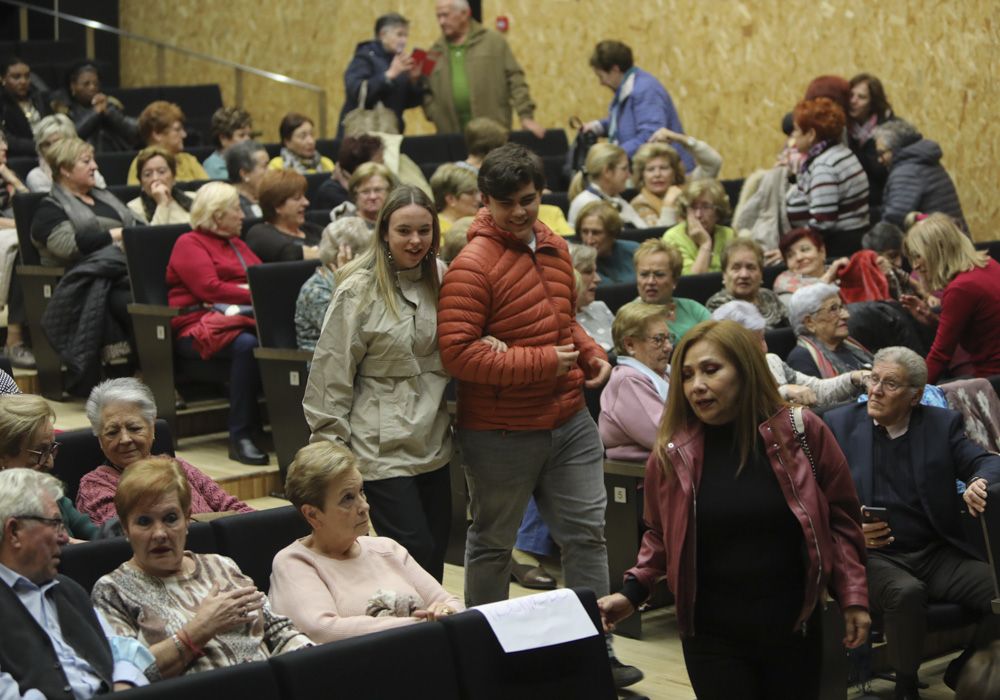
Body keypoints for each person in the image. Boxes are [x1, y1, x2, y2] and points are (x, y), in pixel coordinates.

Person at [437, 142, 642, 689]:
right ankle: (488, 654)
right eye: (506, 203)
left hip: (570, 420)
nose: (519, 212)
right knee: (492, 544)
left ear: (541, 195)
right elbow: (458, 354)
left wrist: (592, 354)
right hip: (502, 430)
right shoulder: (471, 266)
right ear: (486, 201)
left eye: (527, 200)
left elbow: (561, 321)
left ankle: (593, 647)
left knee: (587, 538)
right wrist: (543, 363)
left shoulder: (553, 245)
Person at [598, 320, 870, 700]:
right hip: (710, 636)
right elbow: (660, 534)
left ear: (745, 371)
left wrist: (853, 596)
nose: (696, 385)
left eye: (711, 370)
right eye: (688, 374)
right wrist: (631, 591)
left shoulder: (801, 432)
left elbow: (841, 522)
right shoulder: (672, 453)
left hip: (794, 628)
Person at [824, 346, 1000, 699]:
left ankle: (965, 668)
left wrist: (980, 481)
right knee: (906, 593)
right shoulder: (838, 424)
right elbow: (810, 493)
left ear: (915, 396)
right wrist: (849, 527)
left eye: (890, 384)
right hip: (873, 555)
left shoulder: (939, 426)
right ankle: (906, 686)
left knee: (998, 588)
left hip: (935, 552)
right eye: (873, 378)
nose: (875, 390)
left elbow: (988, 462)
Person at [304, 185, 453, 582]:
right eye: (404, 230)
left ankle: (430, 632)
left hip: (434, 439)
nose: (416, 240)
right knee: (412, 548)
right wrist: (330, 450)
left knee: (436, 548)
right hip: (379, 445)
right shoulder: (358, 288)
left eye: (425, 230)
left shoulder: (442, 278)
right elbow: (330, 374)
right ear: (384, 231)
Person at [92, 457, 311, 678]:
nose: (159, 533)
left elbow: (278, 630)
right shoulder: (112, 591)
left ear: (187, 520)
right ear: (126, 529)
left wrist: (312, 664)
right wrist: (201, 627)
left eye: (170, 518)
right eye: (144, 522)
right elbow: (129, 676)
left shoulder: (220, 565)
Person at [269, 441, 463, 641]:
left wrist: (445, 612)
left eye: (361, 491)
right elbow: (323, 630)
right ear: (313, 515)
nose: (364, 506)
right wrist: (423, 625)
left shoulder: (387, 548)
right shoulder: (294, 563)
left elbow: (452, 603)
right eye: (348, 498)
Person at [0, 468, 153, 696]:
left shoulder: (68, 589)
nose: (64, 537)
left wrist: (123, 685)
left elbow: (125, 650)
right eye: (54, 524)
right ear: (14, 532)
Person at [166, 183, 272, 465]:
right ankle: (240, 437)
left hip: (240, 319)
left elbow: (262, 276)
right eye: (235, 209)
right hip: (196, 327)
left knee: (272, 339)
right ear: (216, 216)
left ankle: (273, 425)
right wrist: (253, 291)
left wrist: (253, 289)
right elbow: (209, 289)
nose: (242, 215)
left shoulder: (236, 243)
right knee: (248, 344)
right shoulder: (189, 243)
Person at [29, 137, 135, 390]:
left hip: (124, 270)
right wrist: (114, 235)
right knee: (136, 304)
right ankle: (139, 373)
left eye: (94, 160)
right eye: (86, 161)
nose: (95, 167)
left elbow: (136, 226)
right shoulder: (50, 208)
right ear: (65, 169)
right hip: (89, 281)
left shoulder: (105, 196)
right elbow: (66, 246)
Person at [77, 377, 255, 522]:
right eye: (112, 432)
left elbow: (243, 513)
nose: (124, 439)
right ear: (100, 439)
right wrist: (219, 520)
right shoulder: (95, 487)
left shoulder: (178, 466)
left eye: (134, 428)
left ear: (152, 428)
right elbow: (129, 537)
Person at [712, 300, 867, 409]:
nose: (764, 349)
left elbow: (818, 389)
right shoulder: (722, 379)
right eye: (753, 343)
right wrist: (784, 392)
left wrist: (854, 377)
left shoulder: (771, 361)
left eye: (763, 339)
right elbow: (745, 408)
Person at [424, 0, 544, 138]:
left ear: (464, 14)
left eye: (445, 15)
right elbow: (424, 89)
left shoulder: (494, 42)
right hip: (452, 135)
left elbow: (516, 79)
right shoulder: (433, 53)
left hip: (493, 133)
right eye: (438, 16)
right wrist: (434, 114)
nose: (441, 22)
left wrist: (526, 116)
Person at [903, 213, 1000, 382]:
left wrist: (909, 396)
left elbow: (940, 356)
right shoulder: (988, 263)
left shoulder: (960, 289)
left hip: (992, 380)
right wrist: (934, 320)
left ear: (939, 250)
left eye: (918, 256)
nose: (916, 265)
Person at [0, 394, 98, 540]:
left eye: (51, 448)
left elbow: (97, 536)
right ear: (3, 458)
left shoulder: (48, 491)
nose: (50, 463)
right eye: (40, 452)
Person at [582, 40, 693, 165]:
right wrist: (599, 126)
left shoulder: (646, 90)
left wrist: (613, 156)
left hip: (670, 173)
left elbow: (651, 136)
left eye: (601, 76)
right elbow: (628, 123)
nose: (601, 83)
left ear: (615, 70)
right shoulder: (628, 89)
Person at [786, 97, 870, 257]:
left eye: (796, 130)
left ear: (811, 134)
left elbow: (823, 222)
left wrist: (792, 245)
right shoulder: (840, 151)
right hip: (848, 238)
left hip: (838, 246)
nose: (793, 137)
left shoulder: (824, 166)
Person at [598, 301, 672, 461]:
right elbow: (665, 438)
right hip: (642, 479)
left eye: (668, 338)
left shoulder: (664, 372)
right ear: (630, 345)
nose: (668, 347)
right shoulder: (627, 379)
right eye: (658, 340)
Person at [337, 13, 424, 137]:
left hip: (390, 133)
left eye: (406, 36)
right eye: (399, 35)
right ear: (383, 35)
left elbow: (405, 103)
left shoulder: (398, 62)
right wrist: (389, 75)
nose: (404, 41)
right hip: (362, 136)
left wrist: (414, 81)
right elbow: (356, 90)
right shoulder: (364, 57)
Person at [295, 217, 371, 352]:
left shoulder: (363, 279)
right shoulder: (316, 290)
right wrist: (347, 282)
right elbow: (345, 332)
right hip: (322, 364)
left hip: (354, 357)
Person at [875, 119, 966, 231]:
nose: (879, 160)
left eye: (881, 153)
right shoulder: (922, 160)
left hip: (937, 244)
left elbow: (894, 221)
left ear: (896, 149)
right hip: (953, 240)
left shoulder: (907, 172)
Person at [787, 283, 873, 378]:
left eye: (841, 307)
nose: (846, 315)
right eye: (833, 309)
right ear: (809, 322)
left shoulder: (850, 344)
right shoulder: (801, 360)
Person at [630, 137, 721, 227]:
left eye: (664, 168)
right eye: (650, 169)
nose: (657, 174)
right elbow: (660, 237)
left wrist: (678, 138)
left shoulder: (687, 188)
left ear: (674, 172)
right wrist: (668, 204)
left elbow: (713, 163)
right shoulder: (640, 204)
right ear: (642, 175)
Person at [49, 61, 138, 152]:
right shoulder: (64, 108)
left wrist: (109, 112)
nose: (92, 87)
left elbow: (134, 132)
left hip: (114, 156)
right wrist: (95, 113)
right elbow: (70, 136)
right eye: (86, 84)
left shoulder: (108, 104)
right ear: (73, 86)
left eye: (96, 84)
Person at [633, 238, 710, 341]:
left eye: (659, 274)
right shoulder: (629, 317)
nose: (650, 281)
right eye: (644, 274)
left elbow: (718, 339)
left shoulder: (692, 308)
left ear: (674, 280)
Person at [0, 130, 33, 370]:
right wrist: (22, 226)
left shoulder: (8, 174)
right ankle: (14, 338)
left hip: (12, 232)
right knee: (23, 247)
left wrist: (11, 178)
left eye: (3, 140)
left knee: (31, 245)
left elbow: (32, 205)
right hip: (9, 232)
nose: (3, 146)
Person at [706, 239, 787, 328]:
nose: (744, 275)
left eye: (751, 267)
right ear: (724, 275)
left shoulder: (769, 297)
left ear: (761, 274)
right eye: (736, 268)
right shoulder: (718, 304)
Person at [662, 179, 735, 274]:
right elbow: (695, 284)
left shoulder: (729, 235)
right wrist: (705, 243)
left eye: (705, 207)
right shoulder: (672, 238)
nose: (698, 215)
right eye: (693, 207)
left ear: (718, 211)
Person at [246, 170, 322, 262]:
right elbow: (289, 253)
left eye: (304, 196)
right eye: (297, 198)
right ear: (277, 205)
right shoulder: (259, 234)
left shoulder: (312, 229)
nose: (306, 202)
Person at [847, 73, 894, 218]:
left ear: (873, 103)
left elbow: (882, 172)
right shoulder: (843, 129)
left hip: (878, 209)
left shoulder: (888, 130)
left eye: (861, 97)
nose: (853, 101)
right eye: (851, 95)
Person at [567, 143, 645, 229]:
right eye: (624, 169)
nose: (629, 175)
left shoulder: (618, 200)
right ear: (607, 171)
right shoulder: (587, 204)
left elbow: (643, 232)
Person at [127, 101, 208, 184]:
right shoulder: (141, 164)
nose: (184, 135)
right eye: (177, 130)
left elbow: (210, 191)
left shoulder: (189, 161)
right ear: (157, 134)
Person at [25, 114, 108, 193]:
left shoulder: (88, 170)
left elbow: (105, 198)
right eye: (46, 145)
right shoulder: (36, 177)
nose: (51, 149)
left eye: (57, 143)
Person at [772, 227, 850, 304]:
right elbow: (800, 308)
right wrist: (827, 278)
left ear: (822, 251)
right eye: (790, 255)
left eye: (805, 249)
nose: (799, 257)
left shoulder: (839, 270)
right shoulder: (783, 282)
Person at [313, 134, 384, 212]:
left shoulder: (380, 183)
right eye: (378, 164)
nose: (383, 168)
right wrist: (350, 189)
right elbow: (361, 214)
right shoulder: (330, 192)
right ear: (359, 169)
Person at [126, 146, 192, 225]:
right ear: (141, 182)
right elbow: (152, 236)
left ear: (174, 176)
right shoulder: (133, 209)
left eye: (161, 172)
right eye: (148, 174)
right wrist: (162, 204)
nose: (155, 178)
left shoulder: (195, 198)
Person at [577, 200, 638, 286]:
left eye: (596, 233)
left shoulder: (634, 251)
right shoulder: (577, 262)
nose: (589, 240)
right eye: (584, 232)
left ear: (612, 233)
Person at [0, 56, 50, 156]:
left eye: (27, 76)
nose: (23, 81)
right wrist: (39, 147)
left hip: (47, 154)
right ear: (3, 79)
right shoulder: (2, 104)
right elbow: (6, 139)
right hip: (18, 158)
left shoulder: (38, 98)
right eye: (16, 77)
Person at [571, 244, 614, 353]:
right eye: (589, 272)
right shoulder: (556, 324)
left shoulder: (600, 307)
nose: (598, 279)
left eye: (596, 271)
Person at [335, 162, 395, 229]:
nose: (372, 196)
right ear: (355, 194)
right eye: (365, 192)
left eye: (378, 190)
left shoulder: (397, 221)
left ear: (389, 191)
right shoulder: (341, 229)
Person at [268, 112, 333, 174]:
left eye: (312, 135)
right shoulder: (277, 167)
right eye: (303, 136)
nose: (311, 141)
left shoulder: (326, 163)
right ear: (287, 142)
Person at [201, 107, 254, 180]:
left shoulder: (249, 159)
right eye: (241, 135)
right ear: (223, 138)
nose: (248, 139)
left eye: (249, 135)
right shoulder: (214, 166)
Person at [430, 162, 480, 232]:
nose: (479, 199)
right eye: (470, 193)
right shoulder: (438, 231)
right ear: (451, 199)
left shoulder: (477, 222)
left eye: (477, 192)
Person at [225, 139, 269, 218]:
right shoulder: (230, 206)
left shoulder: (270, 198)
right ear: (244, 174)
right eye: (265, 166)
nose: (270, 171)